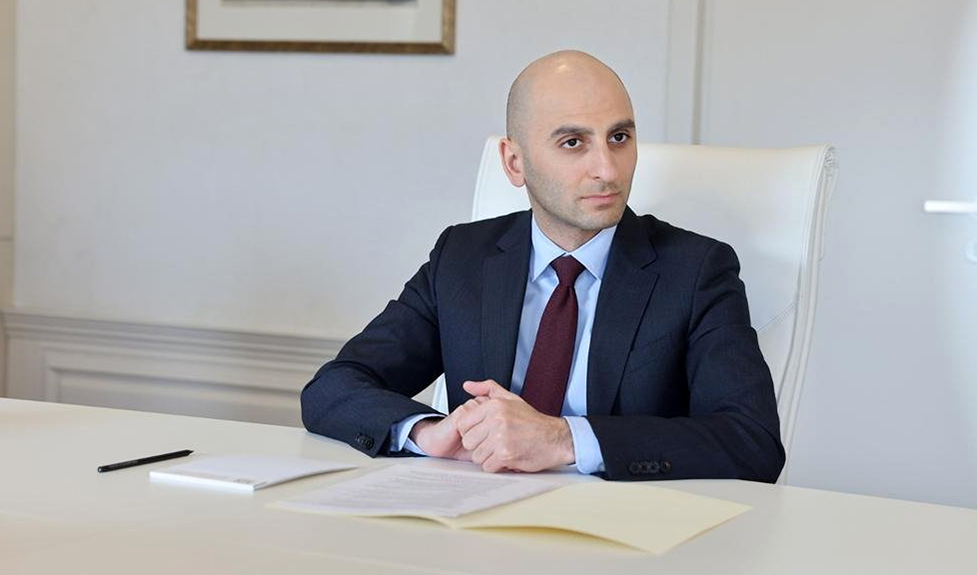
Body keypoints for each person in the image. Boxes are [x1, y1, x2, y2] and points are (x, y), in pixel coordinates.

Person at [301, 50, 784, 482]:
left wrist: (563, 440)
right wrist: (428, 433)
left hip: (621, 527)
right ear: (515, 162)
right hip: (472, 518)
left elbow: (751, 440)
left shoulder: (696, 270)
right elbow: (334, 386)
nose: (608, 169)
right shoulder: (463, 256)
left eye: (619, 137)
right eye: (573, 143)